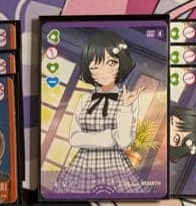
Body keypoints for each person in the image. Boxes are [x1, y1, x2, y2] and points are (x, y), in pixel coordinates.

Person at [53, 31, 145, 197]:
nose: (104, 71)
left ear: (121, 64)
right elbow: (74, 138)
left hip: (114, 167)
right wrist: (110, 136)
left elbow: (124, 141)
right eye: (96, 64)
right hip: (83, 165)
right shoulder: (84, 100)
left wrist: (125, 108)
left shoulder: (129, 99)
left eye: (111, 63)